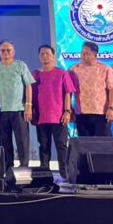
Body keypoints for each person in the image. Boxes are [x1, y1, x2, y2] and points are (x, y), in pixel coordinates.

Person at [33, 45, 75, 178]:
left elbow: (68, 93)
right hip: (41, 117)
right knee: (43, 146)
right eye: (42, 54)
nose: (45, 56)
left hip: (59, 116)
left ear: (53, 56)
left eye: (47, 53)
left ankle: (65, 174)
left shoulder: (62, 73)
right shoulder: (35, 75)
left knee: (61, 146)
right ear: (39, 57)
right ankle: (44, 176)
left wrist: (67, 111)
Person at [0, 41, 35, 169]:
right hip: (2, 110)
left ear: (13, 52)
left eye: (8, 50)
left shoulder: (20, 65)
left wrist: (28, 105)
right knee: (4, 141)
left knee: (22, 141)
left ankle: (24, 167)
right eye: (3, 50)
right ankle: (7, 168)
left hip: (19, 110)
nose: (6, 52)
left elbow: (28, 85)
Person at [69, 41, 113, 137]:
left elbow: (112, 89)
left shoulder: (105, 69)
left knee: (104, 143)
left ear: (95, 55)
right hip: (82, 113)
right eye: (82, 53)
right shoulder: (74, 70)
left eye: (87, 54)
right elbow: (69, 91)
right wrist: (69, 109)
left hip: (102, 113)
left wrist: (111, 108)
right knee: (85, 143)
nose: (84, 56)